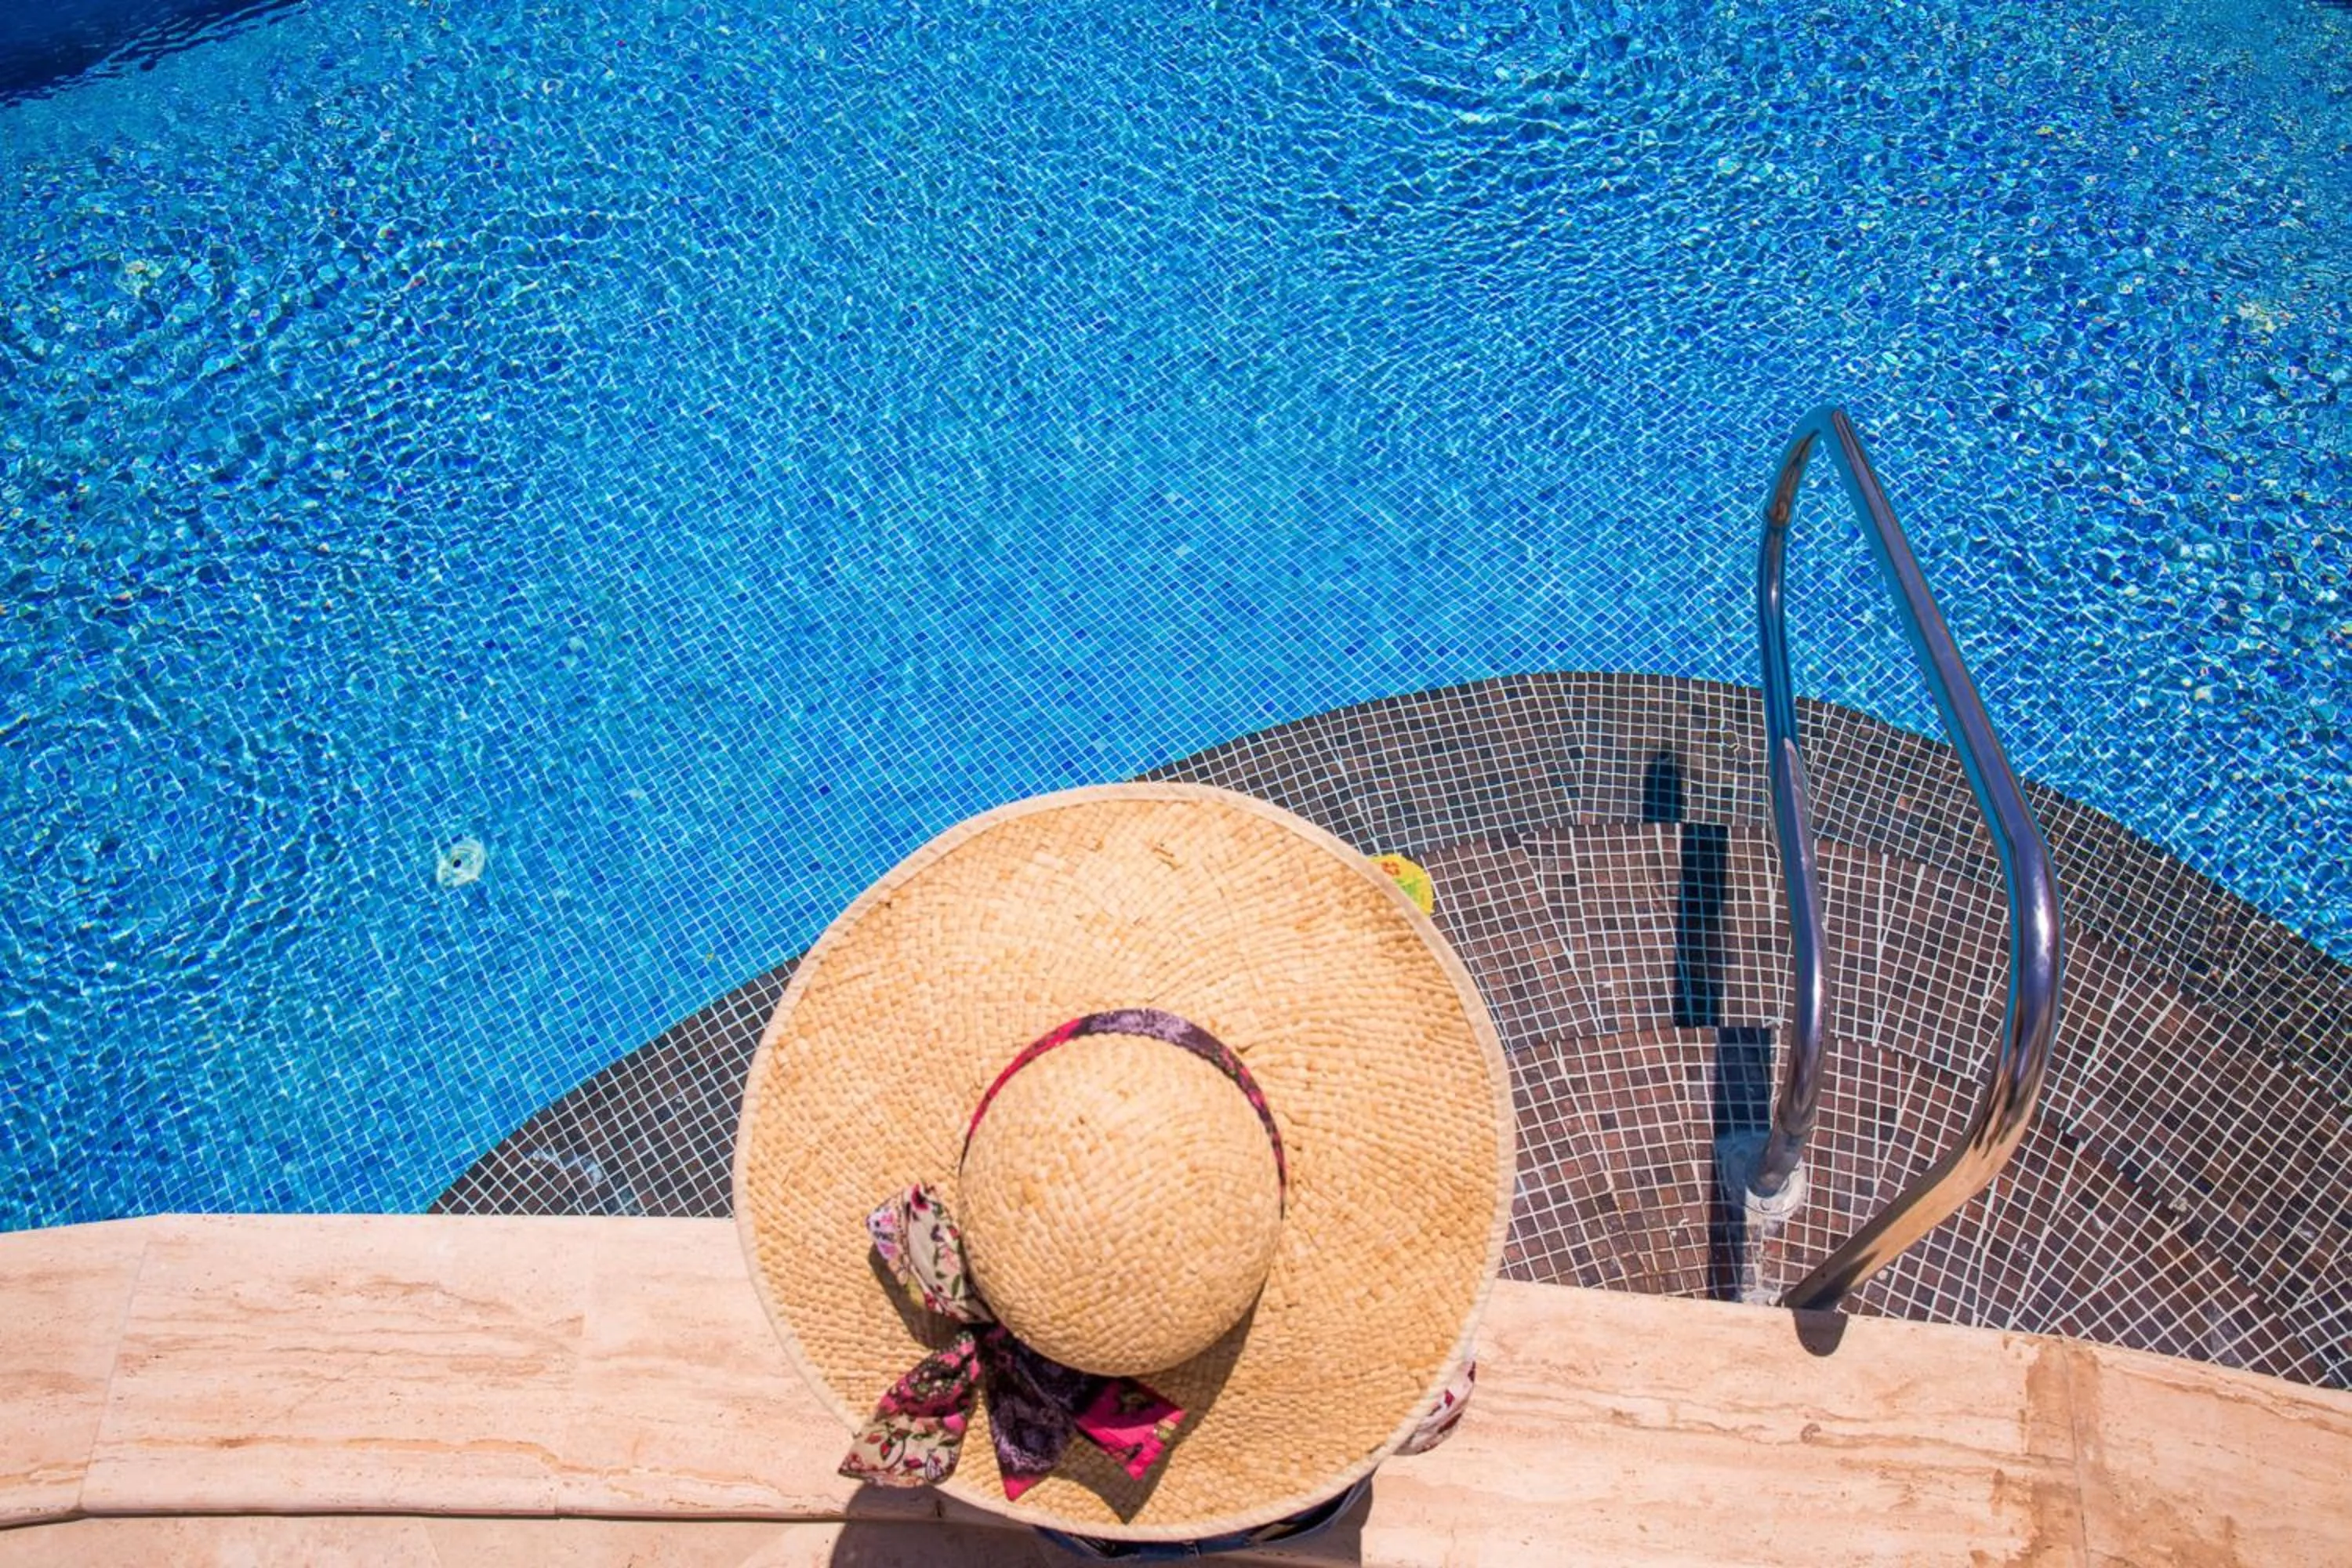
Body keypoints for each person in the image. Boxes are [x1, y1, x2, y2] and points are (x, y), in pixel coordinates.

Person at [730, 784, 1509, 1555]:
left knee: (1090, 1539)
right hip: (1294, 1513)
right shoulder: (1411, 1362)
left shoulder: (955, 1252)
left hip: (1079, 1522)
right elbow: (1428, 1422)